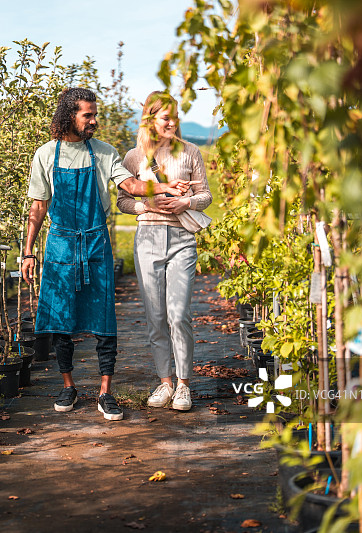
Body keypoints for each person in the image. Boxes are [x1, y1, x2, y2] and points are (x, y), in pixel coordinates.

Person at [21, 88, 190, 421]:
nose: (94, 121)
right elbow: (38, 206)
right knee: (61, 321)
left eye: (95, 115)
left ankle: (105, 392)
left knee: (103, 321)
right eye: (88, 115)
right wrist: (27, 251)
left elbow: (130, 185)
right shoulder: (45, 154)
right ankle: (68, 385)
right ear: (69, 115)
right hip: (60, 244)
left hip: (95, 242)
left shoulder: (104, 152)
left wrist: (163, 186)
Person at [116, 91, 212, 411]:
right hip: (147, 238)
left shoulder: (191, 153)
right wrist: (147, 204)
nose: (172, 122)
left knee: (178, 313)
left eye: (175, 116)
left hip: (182, 237)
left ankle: (184, 384)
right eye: (165, 117)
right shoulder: (134, 158)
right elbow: (122, 202)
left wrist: (186, 201)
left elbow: (205, 196)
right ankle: (164, 381)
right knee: (155, 316)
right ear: (150, 120)